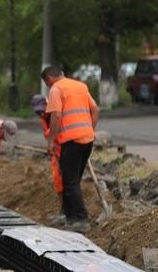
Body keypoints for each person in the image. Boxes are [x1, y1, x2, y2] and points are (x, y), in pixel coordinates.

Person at [41, 66, 99, 233]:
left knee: (70, 182)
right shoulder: (80, 86)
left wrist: (51, 140)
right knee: (71, 180)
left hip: (71, 142)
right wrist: (89, 129)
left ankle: (81, 219)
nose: (48, 86)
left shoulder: (56, 89)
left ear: (49, 80)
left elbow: (56, 116)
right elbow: (95, 110)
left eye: (47, 84)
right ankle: (68, 215)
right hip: (87, 140)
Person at [31, 93, 64, 225]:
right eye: (38, 111)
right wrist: (50, 147)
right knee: (58, 182)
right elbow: (50, 137)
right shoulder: (43, 119)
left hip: (65, 153)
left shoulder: (56, 114)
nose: (41, 112)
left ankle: (69, 213)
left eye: (43, 109)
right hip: (56, 154)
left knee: (68, 183)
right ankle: (63, 212)